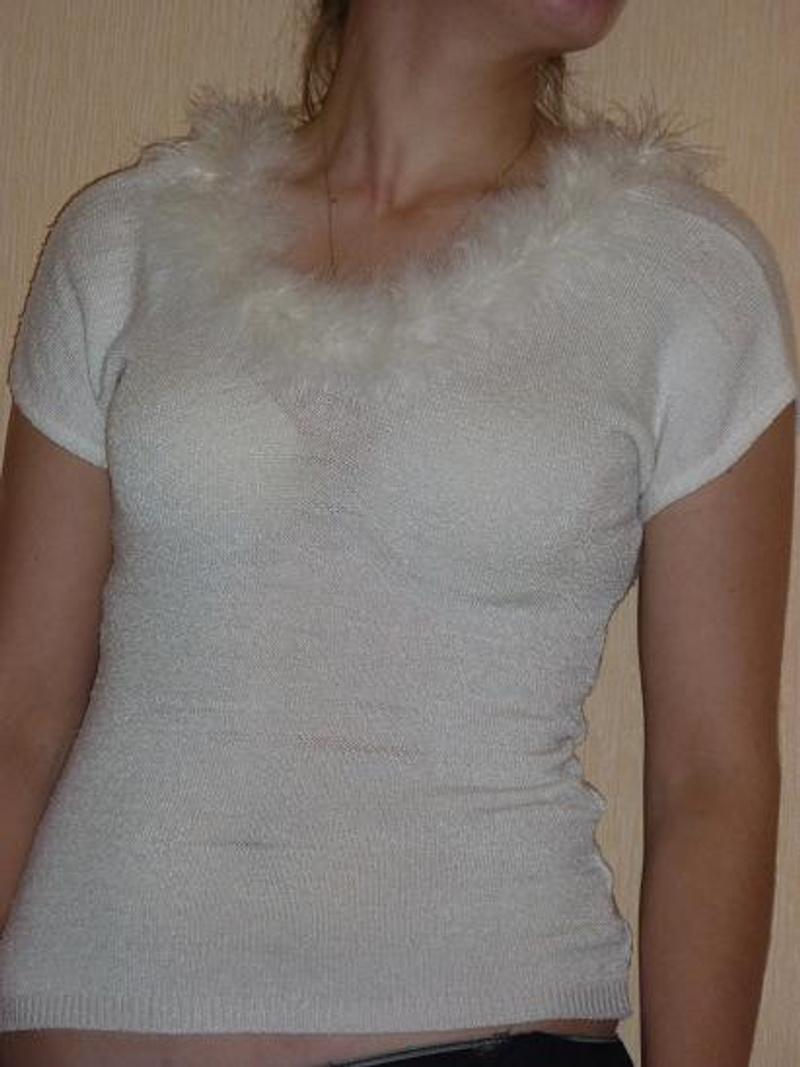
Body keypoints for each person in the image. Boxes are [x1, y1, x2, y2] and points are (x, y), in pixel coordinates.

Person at [0, 1, 797, 1065]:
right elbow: (19, 720)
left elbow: (708, 779)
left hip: (489, 1030)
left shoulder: (687, 273)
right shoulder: (122, 239)